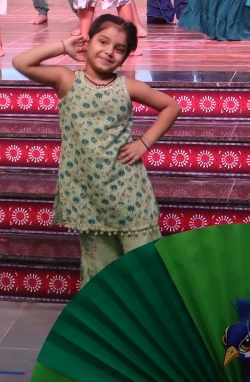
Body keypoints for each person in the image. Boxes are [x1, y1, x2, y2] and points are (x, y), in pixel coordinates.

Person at [13, 16, 180, 285]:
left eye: (119, 49)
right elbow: (21, 63)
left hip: (128, 193)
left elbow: (171, 106)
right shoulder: (66, 80)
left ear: (125, 57)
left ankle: (149, 322)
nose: (109, 52)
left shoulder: (127, 87)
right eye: (103, 41)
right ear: (87, 41)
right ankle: (107, 323)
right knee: (100, 272)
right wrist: (62, 47)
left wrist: (144, 143)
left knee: (145, 266)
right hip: (88, 196)